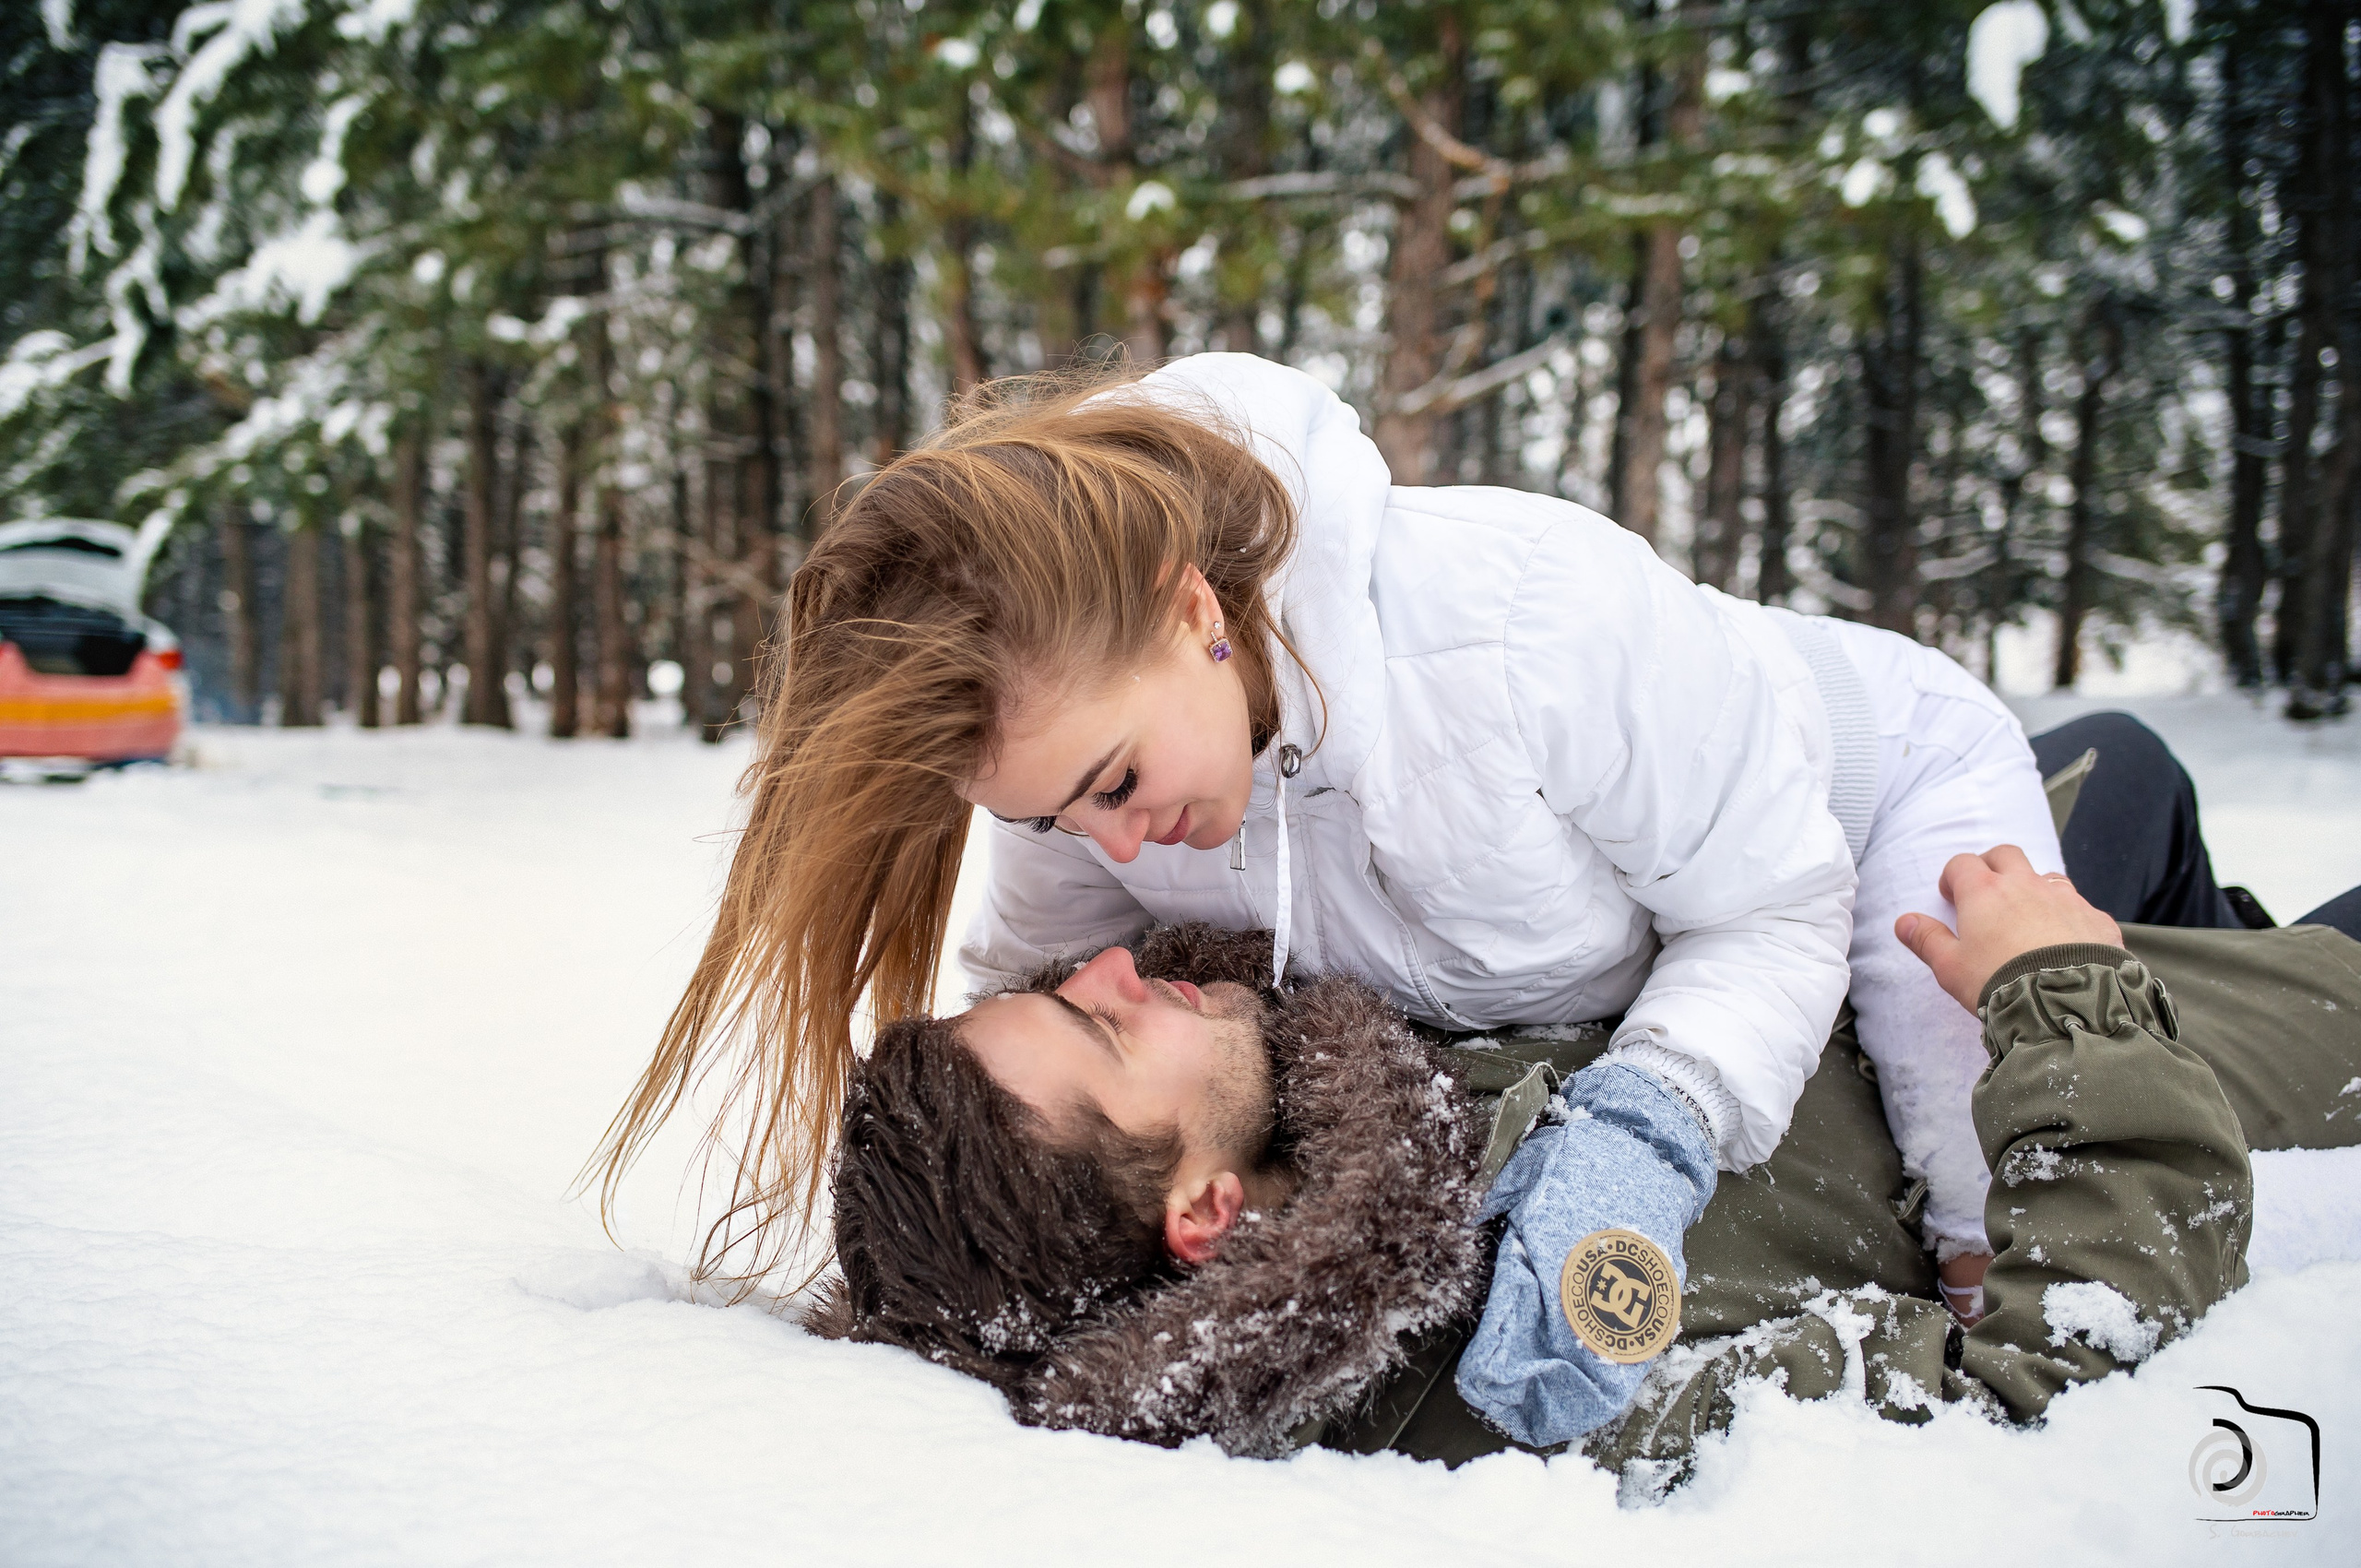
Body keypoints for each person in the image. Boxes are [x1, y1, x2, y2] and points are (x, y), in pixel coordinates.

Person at [594, 352, 2062, 1370]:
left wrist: (1652, 1120)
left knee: (1970, 1211)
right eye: (1050, 819)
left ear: (1190, 611)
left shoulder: (1523, 632)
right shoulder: (1088, 779)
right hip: (1661, 894)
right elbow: (1031, 1009)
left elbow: (1772, 905)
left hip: (1878, 797)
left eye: (1111, 783)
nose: (1105, 855)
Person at [813, 857, 2361, 1469]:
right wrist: (2067, 1004)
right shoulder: (1535, 1373)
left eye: (1058, 986)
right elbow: (2050, 1385)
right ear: (1206, 1216)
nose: (1112, 965)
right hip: (2077, 1060)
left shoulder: (1317, 1089)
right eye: (1097, 1030)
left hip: (1883, 945)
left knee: (2127, 768)